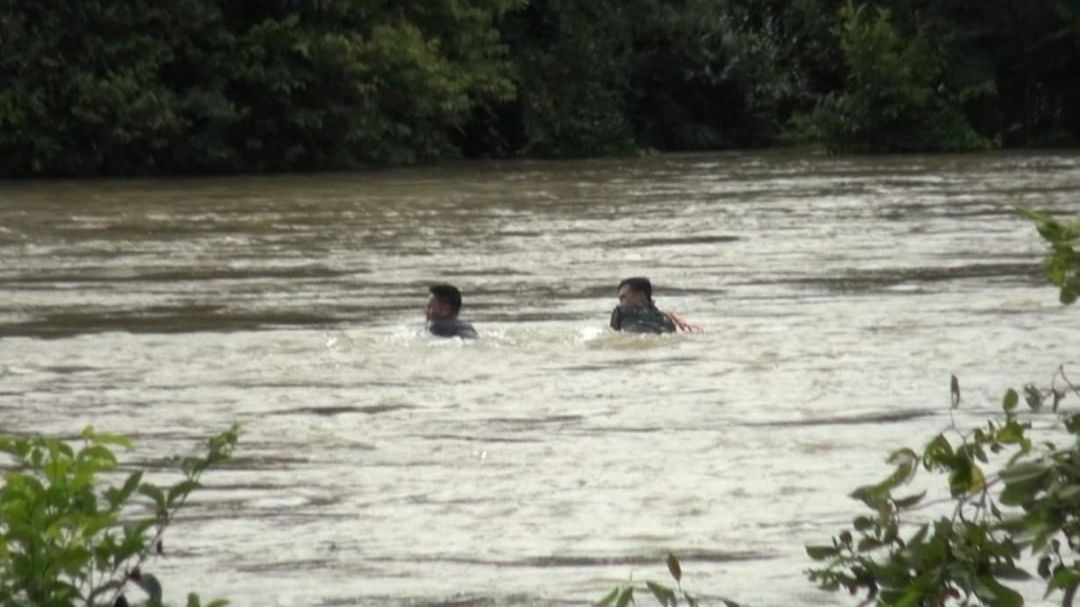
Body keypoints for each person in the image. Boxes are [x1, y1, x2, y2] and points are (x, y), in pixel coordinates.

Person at [609, 277, 700, 334]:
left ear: (640, 295)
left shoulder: (621, 311)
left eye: (623, 298)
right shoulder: (666, 319)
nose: (621, 303)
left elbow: (614, 331)